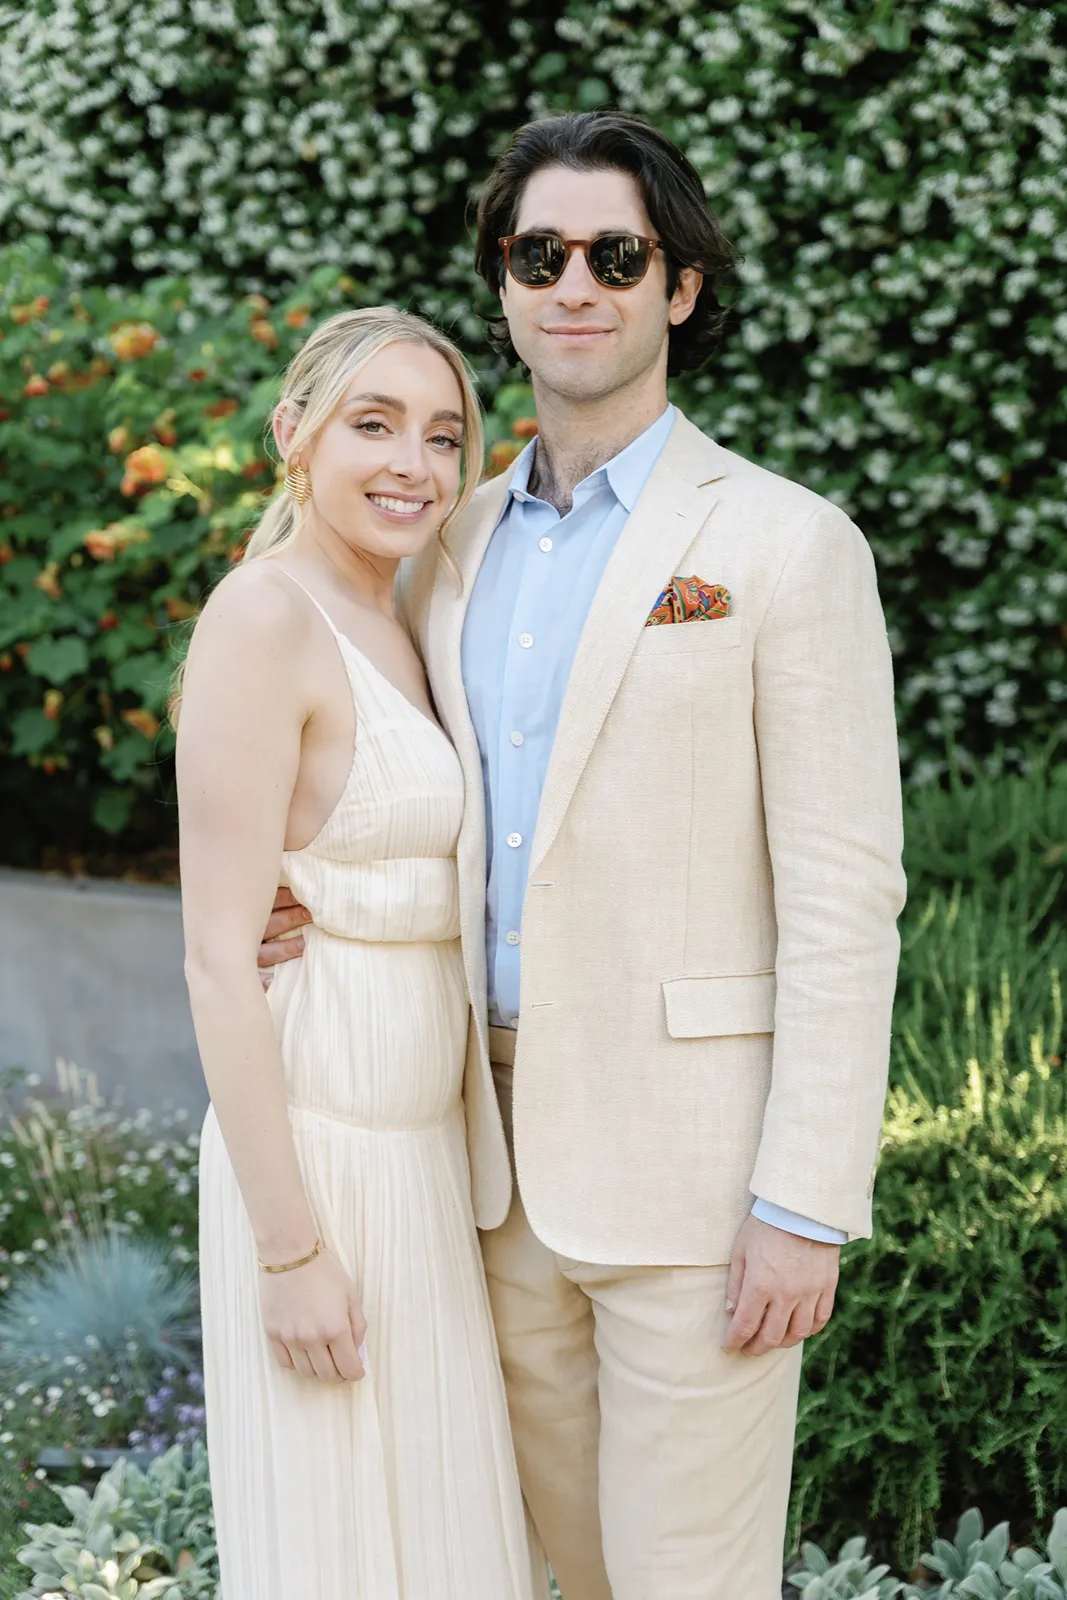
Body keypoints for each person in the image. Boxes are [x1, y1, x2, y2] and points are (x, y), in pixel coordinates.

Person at [261, 112, 907, 1599]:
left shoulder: (788, 545)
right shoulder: (446, 539)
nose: (573, 284)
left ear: (676, 286)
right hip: (476, 1163)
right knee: (559, 1575)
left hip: (694, 1181)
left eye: (614, 255)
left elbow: (841, 894)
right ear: (501, 282)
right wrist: (295, 910)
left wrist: (803, 1200)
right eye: (536, 253)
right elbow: (391, 783)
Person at [177, 307, 542, 1600]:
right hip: (317, 1165)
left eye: (443, 436)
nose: (414, 462)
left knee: (445, 1552)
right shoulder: (261, 620)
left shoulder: (422, 612)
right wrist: (291, 1252)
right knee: (333, 1557)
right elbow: (219, 957)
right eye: (372, 424)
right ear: (294, 436)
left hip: (425, 1171)